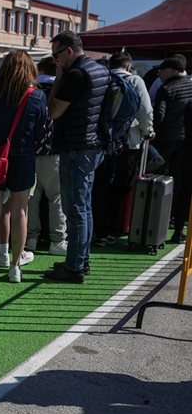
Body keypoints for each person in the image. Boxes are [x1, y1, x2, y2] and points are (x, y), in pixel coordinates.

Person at [0, 51, 49, 283]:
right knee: (20, 211)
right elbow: (41, 131)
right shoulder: (36, 96)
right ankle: (15, 267)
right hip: (23, 157)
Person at [44, 31, 110, 283]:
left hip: (76, 145)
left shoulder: (75, 74)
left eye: (56, 55)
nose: (55, 61)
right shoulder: (100, 70)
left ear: (68, 51)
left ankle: (73, 267)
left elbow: (53, 111)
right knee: (84, 208)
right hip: (94, 145)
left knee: (75, 210)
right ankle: (82, 260)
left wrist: (58, 80)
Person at [92, 51, 156, 247]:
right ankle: (115, 226)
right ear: (128, 66)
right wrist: (149, 130)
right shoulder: (135, 81)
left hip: (101, 142)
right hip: (128, 141)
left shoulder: (103, 79)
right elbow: (145, 109)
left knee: (100, 186)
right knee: (122, 184)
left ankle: (99, 229)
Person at [27, 56, 68, 255]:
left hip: (31, 151)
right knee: (56, 198)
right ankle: (57, 241)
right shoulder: (62, 90)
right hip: (55, 151)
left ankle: (31, 238)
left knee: (31, 198)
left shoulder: (31, 91)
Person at [152, 56, 192, 243]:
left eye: (163, 70)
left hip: (167, 141)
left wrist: (154, 130)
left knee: (163, 183)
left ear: (173, 70)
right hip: (187, 144)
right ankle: (178, 229)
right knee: (183, 186)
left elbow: (159, 115)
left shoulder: (166, 89)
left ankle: (158, 225)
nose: (160, 73)